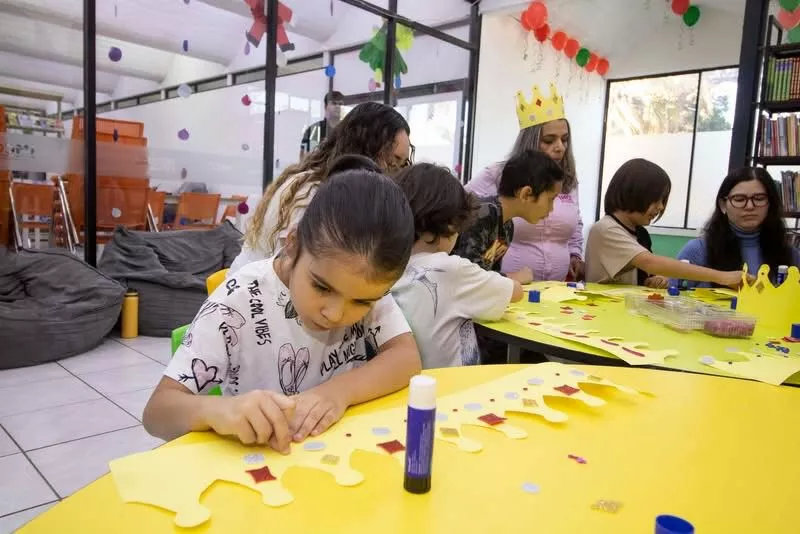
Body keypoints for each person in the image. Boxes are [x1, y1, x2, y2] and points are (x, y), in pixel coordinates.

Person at [143, 169, 421, 450]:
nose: (336, 314)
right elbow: (157, 413)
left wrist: (339, 392)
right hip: (258, 462)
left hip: (335, 453)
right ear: (293, 244)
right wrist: (219, 410)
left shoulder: (362, 283)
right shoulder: (237, 301)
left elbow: (406, 357)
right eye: (322, 287)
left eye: (362, 303)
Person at [230, 102, 411, 275]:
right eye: (391, 163)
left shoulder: (330, 188)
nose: (394, 176)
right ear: (366, 152)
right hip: (251, 296)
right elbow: (297, 277)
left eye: (402, 165)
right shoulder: (312, 193)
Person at [391, 163, 524, 369]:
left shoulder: (388, 266)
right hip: (453, 389)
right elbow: (514, 292)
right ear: (451, 225)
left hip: (404, 385)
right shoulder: (452, 270)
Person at [466, 83, 584, 282]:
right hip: (509, 287)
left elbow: (577, 222)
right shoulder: (495, 179)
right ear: (525, 193)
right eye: (549, 140)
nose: (560, 148)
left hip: (543, 288)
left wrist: (575, 252)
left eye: (565, 140)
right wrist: (509, 279)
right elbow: (474, 275)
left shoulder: (507, 229)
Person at [585, 159, 745, 288]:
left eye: (663, 200)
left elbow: (644, 272)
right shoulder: (606, 229)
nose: (660, 207)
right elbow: (649, 263)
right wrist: (722, 276)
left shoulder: (639, 233)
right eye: (656, 199)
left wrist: (655, 280)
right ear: (635, 192)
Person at [451, 149, 564, 283]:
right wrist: (513, 278)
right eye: (551, 199)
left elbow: (491, 273)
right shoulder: (483, 213)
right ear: (526, 194)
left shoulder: (508, 226)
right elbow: (468, 275)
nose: (551, 209)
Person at [675, 167, 800, 287]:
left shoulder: (789, 255)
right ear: (723, 205)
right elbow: (670, 298)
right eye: (739, 199)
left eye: (759, 198)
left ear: (771, 204)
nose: (750, 206)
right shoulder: (698, 251)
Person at [300, 91, 344, 159]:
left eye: (340, 104)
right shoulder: (315, 130)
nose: (338, 106)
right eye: (334, 103)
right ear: (325, 107)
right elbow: (306, 157)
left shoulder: (349, 130)